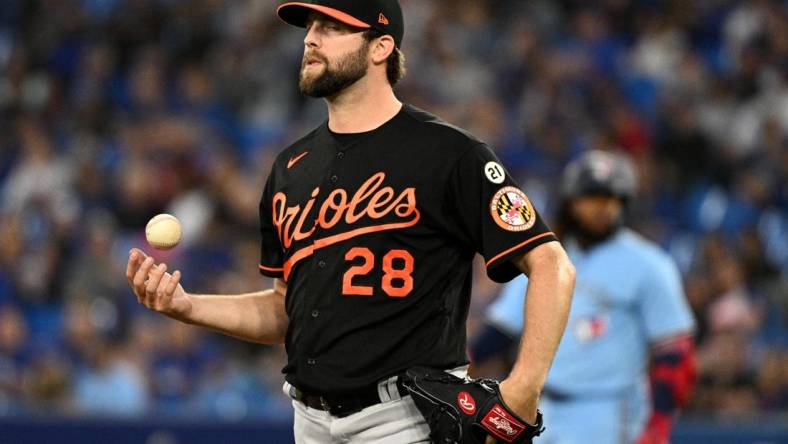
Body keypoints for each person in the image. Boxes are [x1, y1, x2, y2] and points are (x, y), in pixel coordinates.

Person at [126, 1, 576, 442]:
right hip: (309, 421)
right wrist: (188, 308)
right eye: (310, 27)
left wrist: (524, 385)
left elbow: (551, 265)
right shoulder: (290, 168)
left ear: (380, 47)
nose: (310, 38)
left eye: (332, 27)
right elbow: (285, 312)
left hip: (405, 419)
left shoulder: (451, 155)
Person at [471, 150, 697, 444]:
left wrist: (659, 424)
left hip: (609, 410)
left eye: (610, 199)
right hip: (542, 406)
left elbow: (676, 353)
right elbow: (502, 329)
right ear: (570, 201)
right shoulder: (546, 257)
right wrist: (465, 361)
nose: (602, 208)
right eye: (591, 197)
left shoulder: (650, 264)